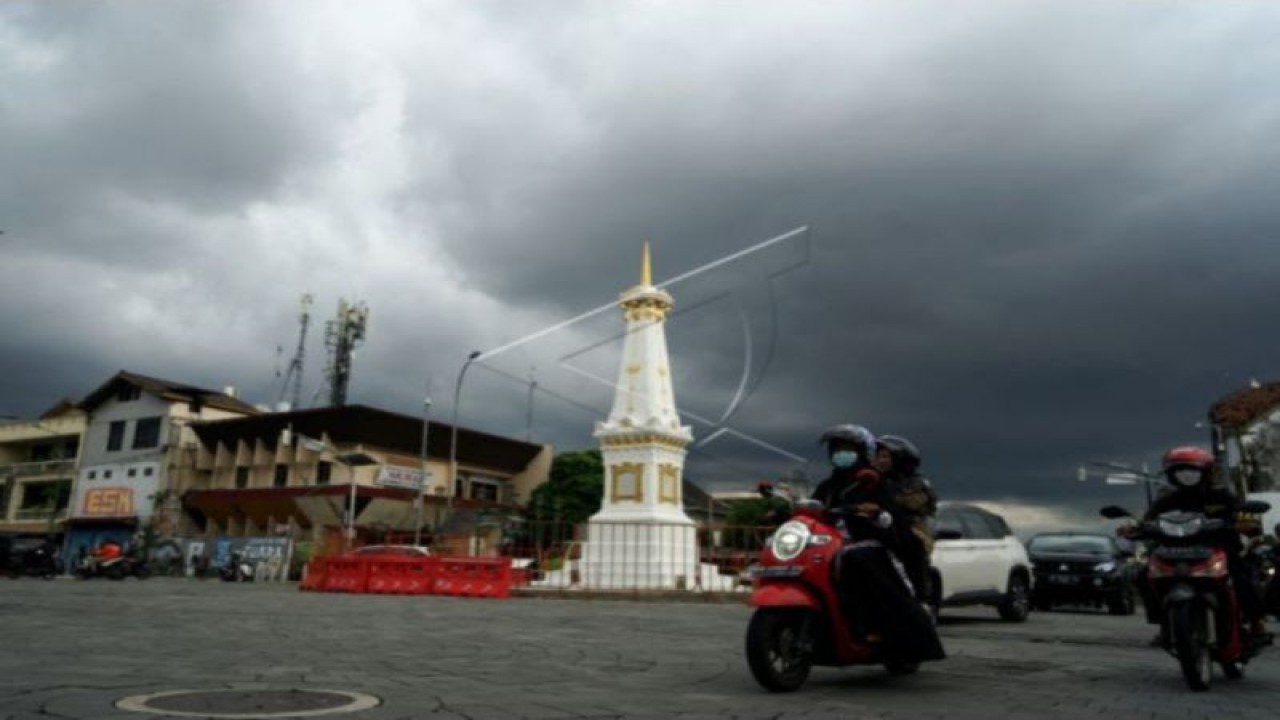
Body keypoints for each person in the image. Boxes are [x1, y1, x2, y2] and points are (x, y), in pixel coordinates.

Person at [813, 424, 945, 663]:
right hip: (831, 543)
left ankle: (874, 627)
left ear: (862, 452)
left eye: (848, 449)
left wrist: (876, 514)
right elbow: (813, 508)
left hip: (870, 542)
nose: (841, 454)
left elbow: (891, 517)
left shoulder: (873, 481)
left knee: (859, 561)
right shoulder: (827, 485)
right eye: (837, 449)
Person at [1128, 446, 1268, 642]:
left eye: (1191, 471)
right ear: (1171, 474)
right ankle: (1164, 622)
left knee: (1240, 574)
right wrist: (1135, 529)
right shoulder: (1167, 500)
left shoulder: (1222, 496)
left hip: (1217, 548)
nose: (1186, 476)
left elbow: (1242, 515)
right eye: (1180, 471)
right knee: (1144, 575)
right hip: (1174, 550)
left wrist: (1246, 524)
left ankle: (1256, 622)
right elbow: (1147, 521)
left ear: (1206, 472)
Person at [875, 435, 938, 603]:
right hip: (874, 531)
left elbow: (910, 504)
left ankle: (919, 603)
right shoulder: (870, 480)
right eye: (877, 456)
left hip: (908, 532)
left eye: (885, 456)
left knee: (914, 549)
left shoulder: (917, 484)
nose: (880, 461)